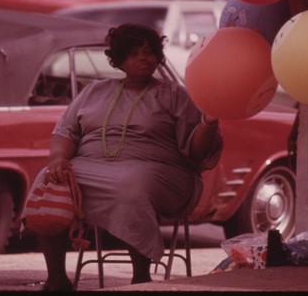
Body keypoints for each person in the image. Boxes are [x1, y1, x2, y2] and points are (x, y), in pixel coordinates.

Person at [34, 23, 223, 291]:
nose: (143, 58)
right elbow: (66, 131)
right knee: (48, 179)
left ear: (158, 56)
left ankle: (140, 278)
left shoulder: (173, 94)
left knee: (131, 184)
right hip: (91, 167)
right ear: (119, 59)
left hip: (161, 173)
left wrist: (209, 122)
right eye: (134, 53)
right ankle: (57, 279)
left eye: (148, 52)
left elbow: (197, 151)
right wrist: (57, 161)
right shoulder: (95, 91)